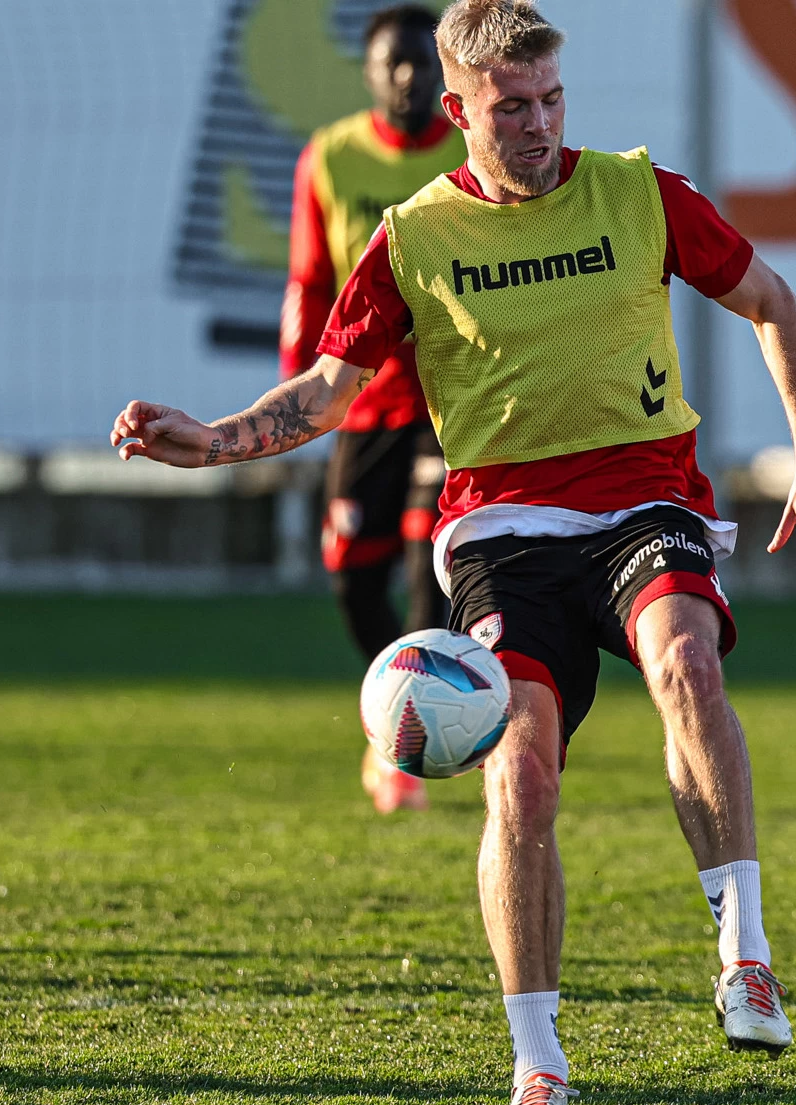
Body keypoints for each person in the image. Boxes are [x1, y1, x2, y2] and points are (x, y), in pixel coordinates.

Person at [112, 1, 796, 1105]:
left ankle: (743, 952)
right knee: (524, 776)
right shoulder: (410, 236)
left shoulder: (639, 192)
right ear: (458, 110)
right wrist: (212, 440)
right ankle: (538, 1066)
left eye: (553, 100)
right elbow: (324, 391)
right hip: (503, 532)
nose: (541, 126)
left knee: (686, 660)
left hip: (643, 497)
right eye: (512, 108)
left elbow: (771, 303)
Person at [282, 4, 467, 815]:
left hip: (451, 398)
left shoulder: (472, 153)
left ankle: (419, 742)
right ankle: (394, 716)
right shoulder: (330, 158)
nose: (409, 78)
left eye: (424, 64)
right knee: (354, 579)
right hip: (361, 399)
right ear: (368, 73)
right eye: (394, 64)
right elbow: (309, 280)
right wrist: (303, 387)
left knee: (435, 568)